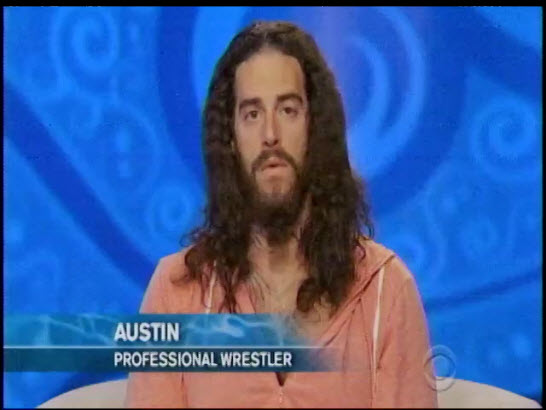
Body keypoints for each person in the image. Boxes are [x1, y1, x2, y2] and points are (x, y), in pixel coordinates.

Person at [125, 20, 438, 408]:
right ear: (231, 139)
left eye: (288, 110)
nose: (270, 134)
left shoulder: (385, 291)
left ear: (314, 128)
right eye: (252, 114)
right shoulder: (175, 292)